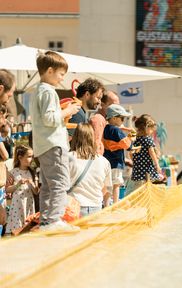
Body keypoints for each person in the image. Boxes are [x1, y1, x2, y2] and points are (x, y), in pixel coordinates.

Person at [31, 51, 81, 232]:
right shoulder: (49, 92)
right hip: (53, 144)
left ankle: (45, 220)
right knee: (60, 183)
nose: (62, 79)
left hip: (42, 146)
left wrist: (64, 111)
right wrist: (70, 111)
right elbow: (50, 119)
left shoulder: (38, 91)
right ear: (50, 71)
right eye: (61, 74)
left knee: (48, 185)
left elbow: (46, 118)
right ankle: (53, 220)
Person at [69, 124, 112, 217]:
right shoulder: (104, 161)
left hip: (73, 207)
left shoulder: (68, 158)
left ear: (75, 137)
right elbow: (107, 189)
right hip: (96, 208)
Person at [126, 114, 164, 195]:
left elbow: (130, 152)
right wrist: (157, 165)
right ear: (146, 127)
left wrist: (135, 161)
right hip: (147, 170)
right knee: (147, 190)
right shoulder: (148, 139)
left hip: (137, 171)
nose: (152, 131)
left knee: (137, 190)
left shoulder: (134, 138)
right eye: (151, 129)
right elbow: (152, 152)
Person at [5, 145, 39, 235]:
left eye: (32, 156)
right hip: (17, 206)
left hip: (29, 205)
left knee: (28, 228)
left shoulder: (32, 172)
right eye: (29, 156)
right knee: (17, 229)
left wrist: (31, 183)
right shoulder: (13, 172)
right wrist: (18, 184)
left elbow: (36, 191)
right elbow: (7, 190)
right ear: (20, 157)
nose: (31, 159)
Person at [103, 104, 133, 204]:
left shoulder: (106, 128)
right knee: (116, 184)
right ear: (115, 118)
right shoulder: (116, 130)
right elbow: (127, 145)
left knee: (107, 185)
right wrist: (131, 137)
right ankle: (115, 204)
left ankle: (106, 205)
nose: (123, 121)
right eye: (122, 118)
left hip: (106, 161)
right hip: (116, 162)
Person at [89, 89, 119, 155]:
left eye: (118, 106)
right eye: (114, 105)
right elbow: (95, 146)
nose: (117, 109)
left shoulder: (107, 120)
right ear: (102, 104)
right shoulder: (98, 119)